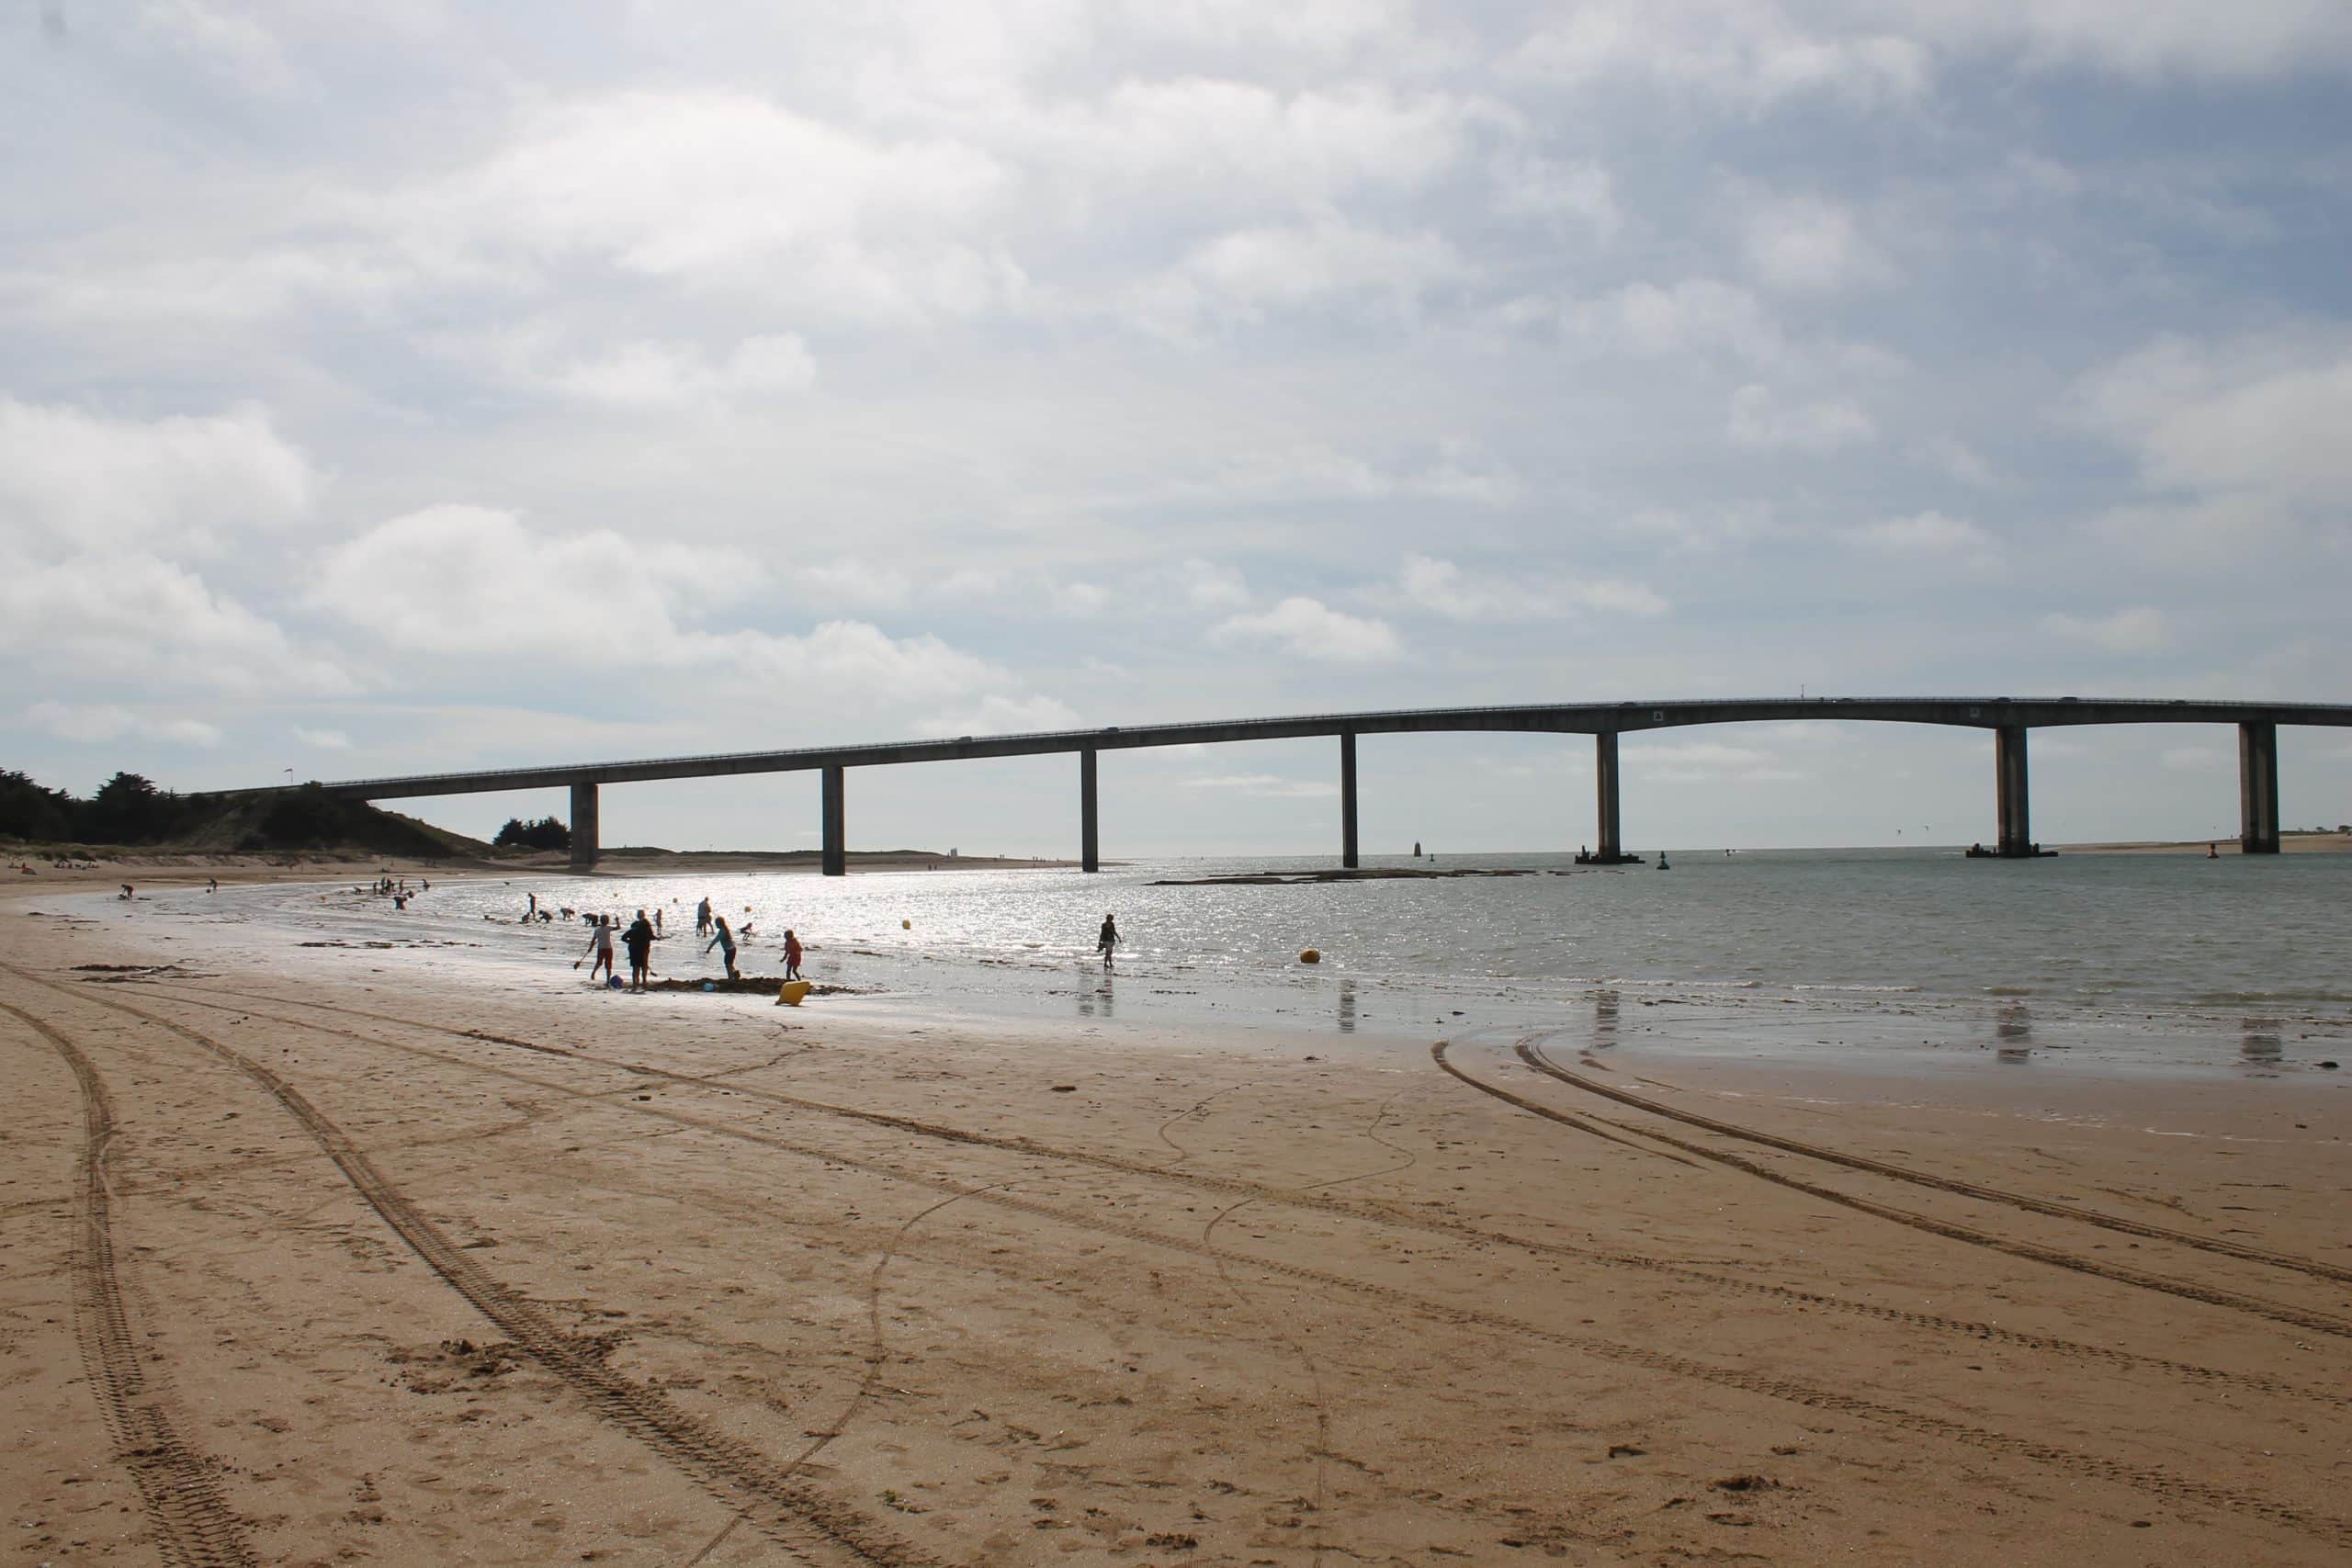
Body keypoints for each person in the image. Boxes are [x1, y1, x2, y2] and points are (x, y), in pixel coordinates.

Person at [623, 909, 656, 991]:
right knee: (644, 966)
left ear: (638, 916)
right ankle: (644, 982)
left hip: (633, 949)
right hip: (643, 949)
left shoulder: (633, 927)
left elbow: (623, 938)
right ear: (644, 915)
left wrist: (630, 942)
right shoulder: (646, 925)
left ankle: (635, 983)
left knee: (635, 967)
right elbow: (651, 936)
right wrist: (657, 938)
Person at [578, 914, 616, 982]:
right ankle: (608, 979)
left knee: (599, 963)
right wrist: (618, 921)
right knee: (608, 965)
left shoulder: (597, 930)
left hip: (601, 948)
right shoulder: (609, 928)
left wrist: (590, 948)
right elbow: (618, 928)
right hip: (608, 948)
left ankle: (594, 972)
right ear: (607, 921)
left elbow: (593, 940)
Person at [705, 916, 739, 980]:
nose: (716, 925)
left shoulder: (723, 932)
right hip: (732, 949)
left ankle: (730, 978)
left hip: (730, 950)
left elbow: (715, 940)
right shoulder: (724, 930)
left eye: (716, 923)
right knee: (730, 963)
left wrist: (709, 949)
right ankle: (735, 974)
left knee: (728, 964)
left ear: (720, 924)